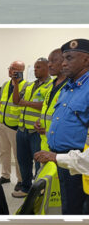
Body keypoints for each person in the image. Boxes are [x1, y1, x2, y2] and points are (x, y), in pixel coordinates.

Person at [33, 39, 89, 215]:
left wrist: (58, 156)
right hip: (62, 160)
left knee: (77, 210)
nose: (63, 63)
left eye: (70, 58)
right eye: (63, 58)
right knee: (68, 206)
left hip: (79, 162)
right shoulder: (68, 87)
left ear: (86, 60)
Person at [11, 58, 53, 198]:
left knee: (39, 162)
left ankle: (38, 191)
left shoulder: (52, 85)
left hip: (37, 132)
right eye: (34, 67)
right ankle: (26, 188)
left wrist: (26, 103)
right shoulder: (28, 85)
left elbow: (44, 105)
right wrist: (16, 84)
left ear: (47, 68)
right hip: (22, 130)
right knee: (23, 161)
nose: (35, 70)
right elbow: (16, 101)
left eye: (38, 67)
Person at [0, 60, 26, 186]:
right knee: (4, 152)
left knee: (19, 155)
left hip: (16, 126)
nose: (11, 70)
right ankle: (5, 176)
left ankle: (21, 180)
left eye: (14, 69)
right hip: (3, 124)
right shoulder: (5, 85)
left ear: (21, 71)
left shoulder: (26, 86)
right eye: (10, 68)